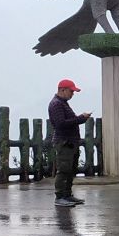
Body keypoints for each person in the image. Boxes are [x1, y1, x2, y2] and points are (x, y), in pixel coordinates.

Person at [48, 78, 91, 207]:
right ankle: (60, 196)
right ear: (62, 90)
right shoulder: (56, 104)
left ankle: (67, 194)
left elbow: (68, 120)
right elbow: (61, 124)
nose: (72, 94)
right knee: (63, 169)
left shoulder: (63, 103)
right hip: (64, 141)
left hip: (70, 142)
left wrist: (79, 119)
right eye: (71, 91)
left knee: (71, 169)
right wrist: (80, 119)